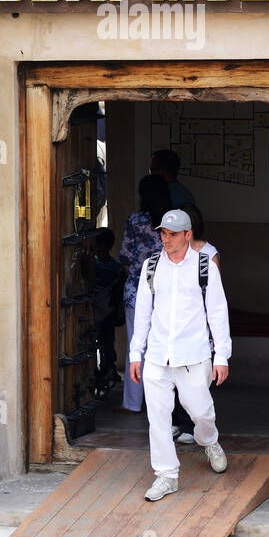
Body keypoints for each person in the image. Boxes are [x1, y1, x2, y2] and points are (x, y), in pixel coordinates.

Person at [128, 208, 232, 501]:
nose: (167, 239)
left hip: (194, 354)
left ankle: (209, 440)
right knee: (158, 418)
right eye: (163, 233)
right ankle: (166, 475)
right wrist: (136, 352)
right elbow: (143, 314)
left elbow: (217, 312)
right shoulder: (151, 266)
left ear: (188, 235)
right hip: (158, 357)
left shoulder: (203, 265)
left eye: (173, 234)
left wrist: (222, 355)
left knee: (200, 411)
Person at [118, 174, 172, 412]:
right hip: (168, 291)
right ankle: (161, 404)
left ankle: (132, 404)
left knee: (136, 345)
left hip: (138, 289)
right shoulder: (173, 221)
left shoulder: (135, 220)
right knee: (166, 347)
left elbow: (126, 256)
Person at [171, 202, 221, 444]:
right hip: (174, 326)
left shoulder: (209, 254)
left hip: (200, 327)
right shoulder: (168, 254)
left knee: (197, 382)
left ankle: (198, 429)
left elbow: (215, 298)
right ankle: (178, 422)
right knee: (173, 374)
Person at [91, 229, 125, 395]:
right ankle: (106, 368)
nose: (98, 250)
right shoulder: (116, 268)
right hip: (103, 311)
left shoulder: (99, 267)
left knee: (106, 342)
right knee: (104, 341)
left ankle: (108, 367)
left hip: (104, 311)